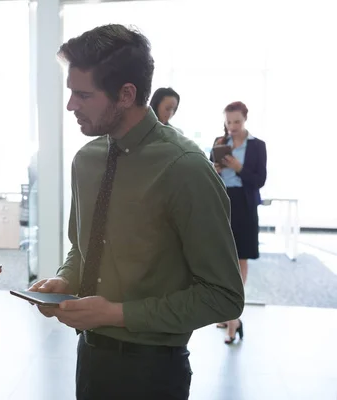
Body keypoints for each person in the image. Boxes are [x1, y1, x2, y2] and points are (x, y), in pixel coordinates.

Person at [29, 24, 244, 400]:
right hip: (90, 361)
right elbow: (83, 249)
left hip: (153, 372)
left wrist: (114, 314)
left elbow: (223, 296)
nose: (70, 106)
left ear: (126, 94)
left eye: (83, 94)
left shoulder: (185, 168)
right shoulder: (87, 160)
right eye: (71, 93)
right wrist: (65, 280)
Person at [211, 101, 267, 344]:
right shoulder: (220, 143)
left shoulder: (257, 146)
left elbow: (260, 180)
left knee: (240, 258)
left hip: (244, 205)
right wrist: (216, 169)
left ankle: (233, 320)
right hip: (222, 203)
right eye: (228, 122)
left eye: (236, 122)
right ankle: (229, 312)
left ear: (245, 120)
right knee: (222, 259)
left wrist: (238, 167)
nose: (232, 127)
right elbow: (209, 174)